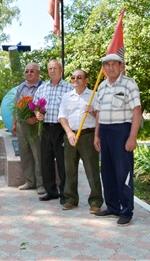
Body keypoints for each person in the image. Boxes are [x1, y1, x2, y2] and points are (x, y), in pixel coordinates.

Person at [92, 54, 141, 227]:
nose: (111, 67)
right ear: (103, 68)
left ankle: (126, 211)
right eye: (107, 64)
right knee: (107, 172)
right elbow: (98, 113)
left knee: (123, 173)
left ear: (121, 65)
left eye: (114, 64)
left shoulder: (129, 84)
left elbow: (136, 110)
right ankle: (112, 207)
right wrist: (96, 135)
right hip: (104, 131)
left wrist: (132, 137)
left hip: (121, 131)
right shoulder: (103, 86)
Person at [58, 69, 103, 213]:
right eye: (73, 77)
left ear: (86, 80)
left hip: (88, 135)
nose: (75, 80)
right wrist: (69, 132)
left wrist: (94, 111)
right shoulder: (66, 97)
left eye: (79, 77)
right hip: (71, 135)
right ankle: (70, 199)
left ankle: (95, 201)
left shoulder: (94, 95)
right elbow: (62, 117)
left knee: (92, 169)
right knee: (69, 169)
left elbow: (100, 117)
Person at [34, 59, 73, 204]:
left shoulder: (69, 88)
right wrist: (37, 113)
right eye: (50, 68)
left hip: (61, 129)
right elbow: (36, 106)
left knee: (63, 162)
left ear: (61, 69)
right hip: (45, 128)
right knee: (46, 161)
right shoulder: (42, 88)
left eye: (55, 68)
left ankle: (65, 193)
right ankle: (51, 191)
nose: (52, 71)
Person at [11, 62, 45, 195]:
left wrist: (35, 118)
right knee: (25, 153)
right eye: (27, 71)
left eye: (32, 71)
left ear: (38, 73)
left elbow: (45, 107)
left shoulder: (43, 87)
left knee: (38, 154)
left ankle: (41, 184)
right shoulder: (21, 86)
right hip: (22, 124)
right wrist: (14, 123)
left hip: (36, 125)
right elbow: (16, 106)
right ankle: (30, 181)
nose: (29, 73)